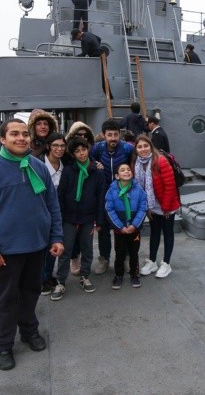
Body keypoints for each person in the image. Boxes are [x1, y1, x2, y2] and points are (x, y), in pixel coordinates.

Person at [0, 119, 64, 371]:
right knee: (5, 299)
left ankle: (29, 331)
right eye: (14, 134)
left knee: (31, 292)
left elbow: (52, 205)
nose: (21, 138)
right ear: (3, 139)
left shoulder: (38, 167)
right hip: (6, 250)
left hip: (36, 245)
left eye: (24, 134)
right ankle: (2, 345)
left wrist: (56, 237)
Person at [51, 136, 105, 300]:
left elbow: (100, 197)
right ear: (73, 154)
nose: (81, 153)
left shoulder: (97, 171)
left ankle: (85, 276)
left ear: (88, 149)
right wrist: (60, 218)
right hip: (69, 218)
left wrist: (99, 220)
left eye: (84, 149)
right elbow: (60, 195)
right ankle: (60, 281)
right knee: (65, 250)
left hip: (88, 218)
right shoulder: (69, 170)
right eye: (77, 151)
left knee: (87, 248)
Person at [90, 119, 134, 274]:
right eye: (110, 135)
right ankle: (104, 258)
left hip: (122, 194)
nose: (113, 138)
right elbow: (88, 161)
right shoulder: (97, 148)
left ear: (120, 134)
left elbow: (133, 166)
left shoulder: (127, 148)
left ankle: (126, 258)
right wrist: (94, 165)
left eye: (116, 134)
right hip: (104, 194)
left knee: (124, 227)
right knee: (103, 229)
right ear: (104, 135)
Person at [135, 135, 180, 278]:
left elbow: (170, 185)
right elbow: (140, 188)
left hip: (167, 204)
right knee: (154, 232)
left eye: (146, 146)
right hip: (152, 204)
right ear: (136, 149)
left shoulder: (160, 161)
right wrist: (147, 207)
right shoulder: (137, 163)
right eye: (139, 147)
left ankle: (166, 263)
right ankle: (152, 261)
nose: (143, 149)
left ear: (151, 146)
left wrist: (166, 207)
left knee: (167, 232)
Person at [64, 121, 96, 276]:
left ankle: (85, 270)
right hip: (70, 207)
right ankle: (73, 259)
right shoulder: (67, 160)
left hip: (87, 208)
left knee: (86, 241)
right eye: (79, 134)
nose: (83, 137)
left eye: (86, 135)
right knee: (70, 239)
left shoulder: (91, 156)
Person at [40, 133, 66, 295]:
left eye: (62, 146)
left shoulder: (65, 165)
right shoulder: (39, 165)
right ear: (48, 146)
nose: (59, 149)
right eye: (55, 145)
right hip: (41, 212)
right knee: (41, 247)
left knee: (53, 246)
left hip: (59, 212)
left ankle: (47, 277)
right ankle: (41, 279)